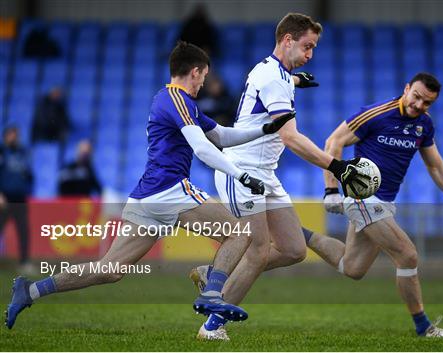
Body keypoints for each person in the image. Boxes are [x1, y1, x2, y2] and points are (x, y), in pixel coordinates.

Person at [5, 41, 296, 330]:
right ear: (194, 72)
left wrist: (264, 129)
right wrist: (241, 175)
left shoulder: (174, 102)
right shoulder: (177, 100)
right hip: (169, 189)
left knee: (109, 269)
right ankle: (211, 292)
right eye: (203, 77)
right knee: (237, 232)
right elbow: (203, 148)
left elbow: (219, 136)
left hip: (148, 194)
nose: (203, 84)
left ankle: (30, 290)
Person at [191, 13, 359, 340]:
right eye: (307, 47)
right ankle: (212, 326)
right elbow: (291, 137)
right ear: (287, 40)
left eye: (314, 48)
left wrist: (296, 81)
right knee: (258, 250)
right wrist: (337, 167)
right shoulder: (273, 77)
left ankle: (216, 273)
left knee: (294, 249)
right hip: (242, 172)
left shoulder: (274, 72)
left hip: (265, 173)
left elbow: (273, 82)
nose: (310, 54)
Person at [306, 73, 443, 338]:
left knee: (352, 268)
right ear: (406, 89)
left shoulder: (424, 125)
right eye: (417, 96)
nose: (419, 105)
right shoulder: (374, 114)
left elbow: (435, 165)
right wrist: (330, 189)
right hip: (362, 196)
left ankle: (297, 234)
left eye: (427, 102)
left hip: (384, 202)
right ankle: (424, 327)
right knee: (407, 255)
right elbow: (334, 142)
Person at [0, 127, 34, 275]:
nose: (14, 138)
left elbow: (28, 174)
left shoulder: (22, 153)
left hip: (20, 198)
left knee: (24, 231)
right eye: (11, 135)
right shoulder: (2, 152)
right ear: (5, 136)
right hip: (4, 198)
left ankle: (24, 262)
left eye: (16, 135)